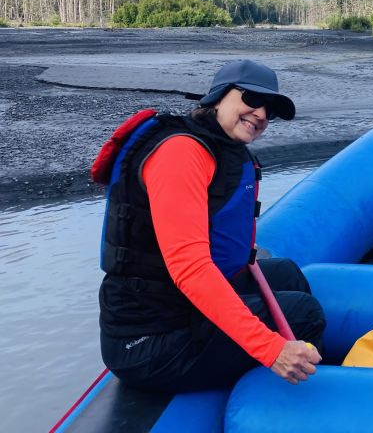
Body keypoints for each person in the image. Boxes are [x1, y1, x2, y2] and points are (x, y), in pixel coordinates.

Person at [97, 59, 324, 392]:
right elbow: (190, 269)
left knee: (286, 272)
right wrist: (271, 349)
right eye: (250, 98)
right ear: (218, 96)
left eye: (269, 109)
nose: (261, 114)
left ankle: (314, 369)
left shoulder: (219, 146)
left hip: (178, 306)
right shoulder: (181, 152)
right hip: (149, 338)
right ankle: (306, 399)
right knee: (304, 313)